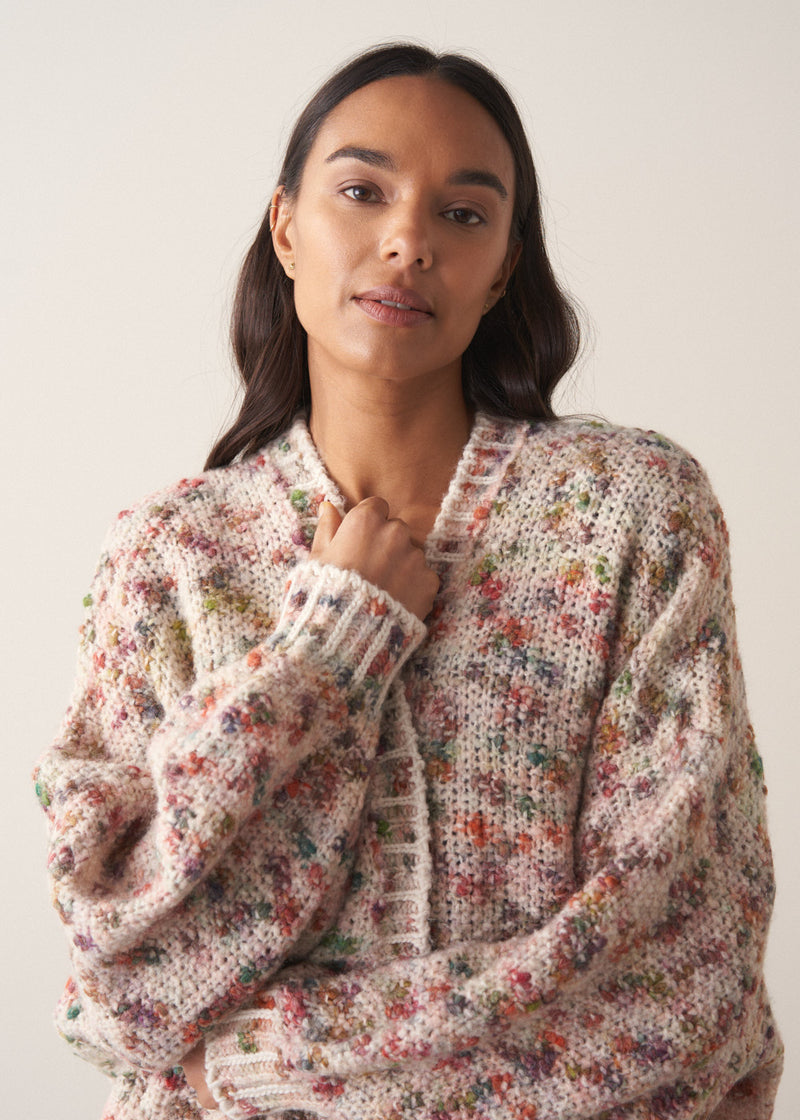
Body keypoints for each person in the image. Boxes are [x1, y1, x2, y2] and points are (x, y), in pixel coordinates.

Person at [34, 42, 783, 1120]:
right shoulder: (170, 557)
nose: (406, 240)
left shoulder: (629, 514)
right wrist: (327, 651)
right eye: (361, 190)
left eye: (462, 215)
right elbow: (126, 980)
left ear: (502, 264)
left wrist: (257, 1064)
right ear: (287, 226)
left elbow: (681, 979)